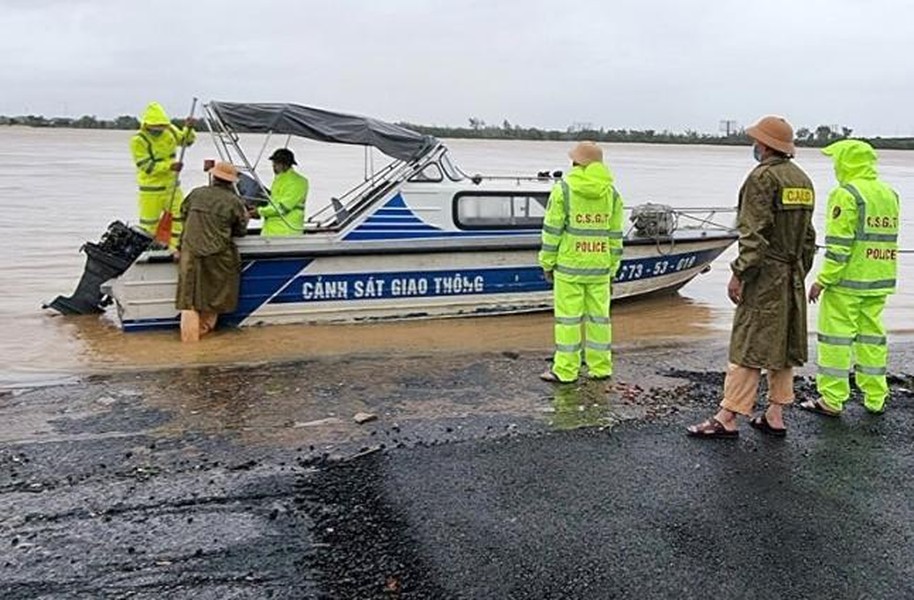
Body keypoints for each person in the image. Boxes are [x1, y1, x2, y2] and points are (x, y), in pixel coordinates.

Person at [687, 115, 816, 438]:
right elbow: (809, 238)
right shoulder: (802, 180)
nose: (753, 146)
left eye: (756, 141)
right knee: (782, 344)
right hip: (792, 274)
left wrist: (739, 274)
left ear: (764, 145)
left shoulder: (762, 178)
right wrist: (799, 271)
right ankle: (775, 413)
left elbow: (753, 236)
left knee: (748, 344)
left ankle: (727, 416)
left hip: (766, 274)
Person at [802, 140, 900, 417]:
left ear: (846, 161)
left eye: (837, 160)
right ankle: (875, 396)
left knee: (836, 340)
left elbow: (839, 246)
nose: (835, 166)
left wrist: (823, 280)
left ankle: (832, 399)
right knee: (872, 339)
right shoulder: (889, 194)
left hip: (846, 283)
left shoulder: (846, 194)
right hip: (879, 280)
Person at [538, 141, 624, 383]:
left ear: (575, 162)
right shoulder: (611, 193)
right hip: (600, 269)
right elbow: (615, 236)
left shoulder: (563, 190)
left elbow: (552, 231)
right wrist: (613, 270)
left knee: (568, 321)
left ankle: (565, 370)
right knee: (599, 320)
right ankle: (601, 368)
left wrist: (547, 262)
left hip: (569, 269)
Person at [175, 162, 249, 342]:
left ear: (213, 177)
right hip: (218, 256)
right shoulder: (234, 202)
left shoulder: (196, 193)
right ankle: (201, 349)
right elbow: (241, 230)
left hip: (190, 252)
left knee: (189, 302)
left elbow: (183, 213)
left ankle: (189, 351)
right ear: (232, 183)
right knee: (215, 299)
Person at [130, 101, 196, 249]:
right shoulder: (139, 140)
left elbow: (186, 141)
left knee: (179, 219)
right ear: (147, 125)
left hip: (172, 187)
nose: (159, 130)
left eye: (161, 126)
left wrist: (189, 128)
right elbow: (146, 166)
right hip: (151, 190)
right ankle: (145, 251)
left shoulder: (170, 130)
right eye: (155, 127)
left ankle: (175, 249)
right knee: (149, 224)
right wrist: (169, 167)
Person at [254, 148, 309, 236]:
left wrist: (259, 211)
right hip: (272, 230)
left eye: (276, 163)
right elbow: (274, 203)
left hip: (286, 232)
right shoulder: (280, 179)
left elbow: (283, 207)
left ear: (284, 164)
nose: (273, 166)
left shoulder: (297, 182)